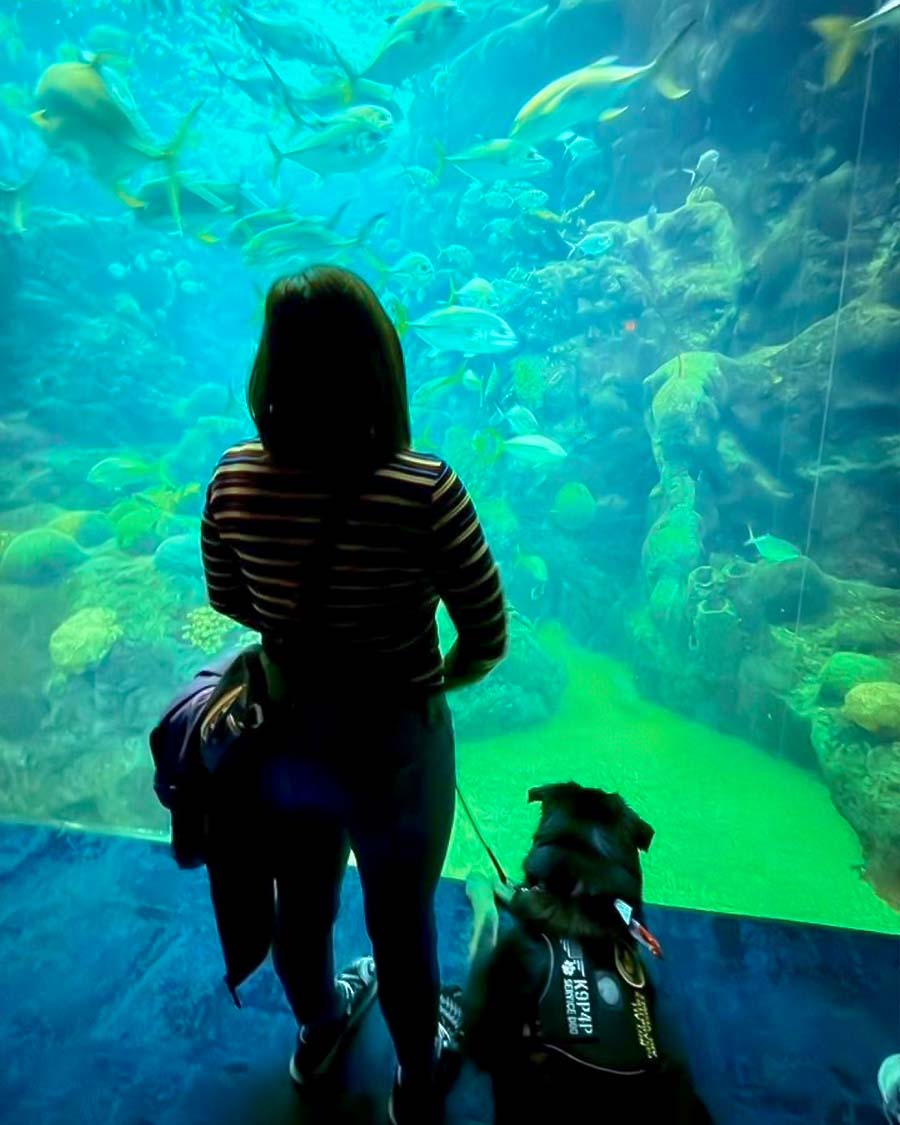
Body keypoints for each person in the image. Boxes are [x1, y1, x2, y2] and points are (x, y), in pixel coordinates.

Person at [199, 265, 508, 1124]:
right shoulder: (425, 488)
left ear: (271, 366)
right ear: (379, 365)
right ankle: (416, 1078)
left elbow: (229, 597)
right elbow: (486, 630)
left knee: (300, 904)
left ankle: (319, 1030)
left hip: (290, 737)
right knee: (400, 918)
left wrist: (302, 632)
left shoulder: (233, 477)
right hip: (396, 745)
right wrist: (435, 679)